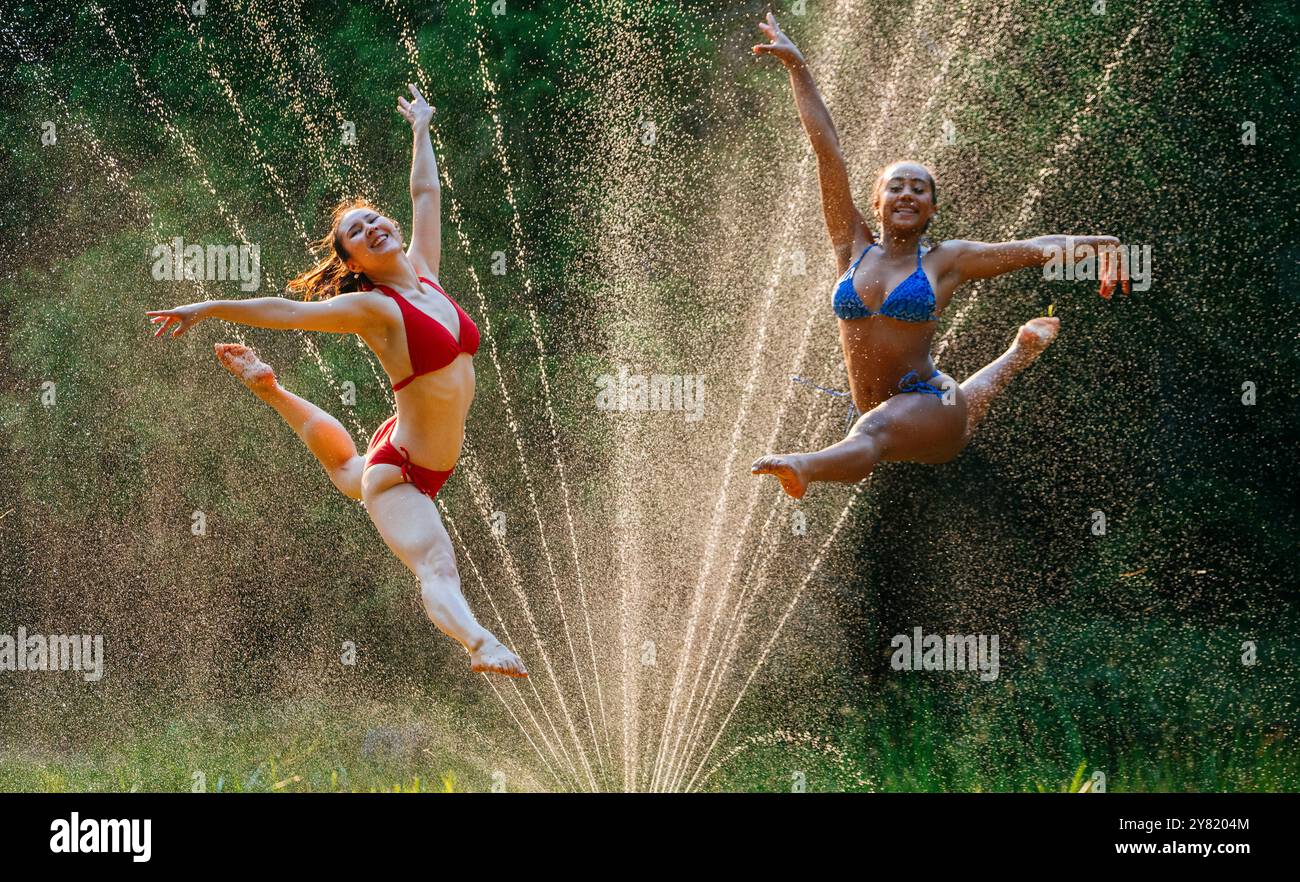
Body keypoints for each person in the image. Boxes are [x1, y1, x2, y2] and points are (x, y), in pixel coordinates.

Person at [146, 84, 527, 677]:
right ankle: (481, 645)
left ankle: (270, 391)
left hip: (410, 452)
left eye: (374, 218)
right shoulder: (375, 309)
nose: (373, 228)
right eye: (357, 232)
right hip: (402, 473)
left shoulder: (426, 275)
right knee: (432, 561)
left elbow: (426, 193)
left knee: (349, 471)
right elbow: (289, 312)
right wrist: (207, 307)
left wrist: (421, 128)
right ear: (351, 262)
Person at [749, 14, 1129, 498]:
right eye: (896, 186)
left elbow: (1036, 250)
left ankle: (803, 465)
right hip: (881, 412)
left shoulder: (946, 261)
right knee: (911, 421)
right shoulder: (851, 247)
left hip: (927, 405)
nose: (907, 194)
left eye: (920, 189)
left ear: (932, 207)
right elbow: (829, 154)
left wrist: (1103, 245)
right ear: (877, 202)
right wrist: (798, 68)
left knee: (879, 432)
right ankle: (1020, 352)